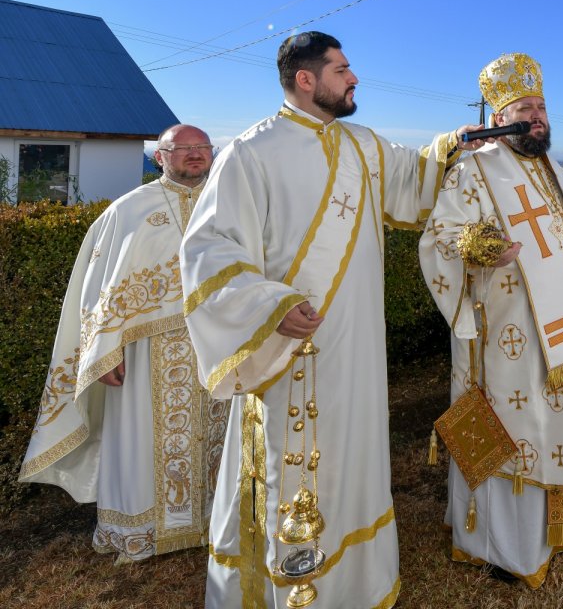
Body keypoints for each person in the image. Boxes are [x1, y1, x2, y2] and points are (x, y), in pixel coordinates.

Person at [179, 32, 480, 608]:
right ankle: (295, 580)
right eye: (342, 69)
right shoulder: (251, 151)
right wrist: (267, 306)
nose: (354, 78)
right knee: (293, 459)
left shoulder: (364, 144)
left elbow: (417, 182)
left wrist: (455, 145)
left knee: (356, 449)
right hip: (292, 344)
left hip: (358, 343)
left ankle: (357, 582)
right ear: (306, 80)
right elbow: (210, 248)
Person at [419, 53, 563, 587]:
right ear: (499, 116)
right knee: (518, 428)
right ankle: (504, 545)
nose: (536, 116)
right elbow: (439, 236)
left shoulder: (557, 172)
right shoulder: (474, 166)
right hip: (508, 334)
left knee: (561, 426)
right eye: (523, 108)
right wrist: (482, 246)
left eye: (541, 107)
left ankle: (561, 526)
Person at [21, 125, 227, 563]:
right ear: (160, 157)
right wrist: (104, 352)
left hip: (217, 344)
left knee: (220, 436)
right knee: (142, 440)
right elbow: (98, 289)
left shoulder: (228, 203)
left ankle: (216, 522)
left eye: (202, 147)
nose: (195, 155)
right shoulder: (128, 211)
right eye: (183, 148)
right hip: (146, 352)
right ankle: (143, 531)